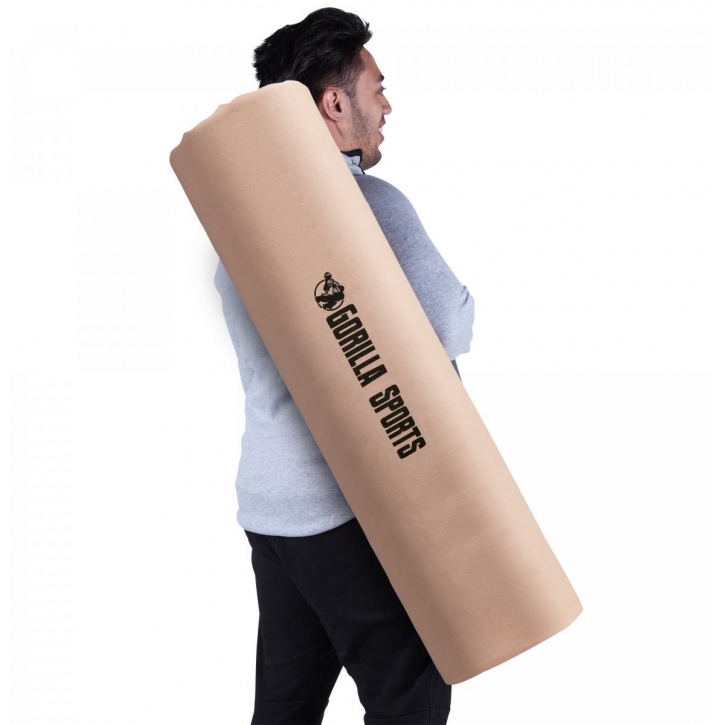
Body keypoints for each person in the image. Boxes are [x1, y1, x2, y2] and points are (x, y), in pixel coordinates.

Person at [213, 8, 475, 724]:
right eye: (377, 88)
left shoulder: (238, 216)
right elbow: (449, 323)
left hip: (269, 505)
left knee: (286, 707)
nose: (386, 106)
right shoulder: (367, 207)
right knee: (410, 695)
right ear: (334, 103)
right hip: (344, 508)